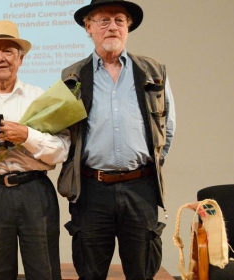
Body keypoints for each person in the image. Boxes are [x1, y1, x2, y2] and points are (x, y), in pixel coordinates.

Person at [58, 0, 176, 279]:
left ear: (128, 27)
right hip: (91, 189)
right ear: (89, 27)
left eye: (119, 20)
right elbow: (64, 133)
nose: (112, 27)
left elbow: (167, 128)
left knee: (142, 270)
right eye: (103, 20)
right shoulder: (72, 76)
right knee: (90, 270)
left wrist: (148, 166)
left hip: (141, 188)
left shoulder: (153, 71)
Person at [0, 20, 70, 280]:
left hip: (34, 191)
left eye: (8, 51)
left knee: (45, 272)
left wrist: (26, 135)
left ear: (21, 59)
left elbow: (61, 151)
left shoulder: (40, 98)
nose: (0, 58)